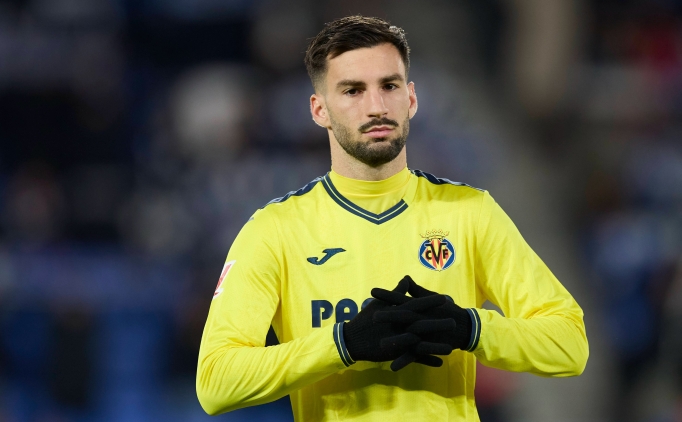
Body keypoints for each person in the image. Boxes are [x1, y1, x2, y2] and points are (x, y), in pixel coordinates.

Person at [196, 15, 589, 421]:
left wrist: (472, 329)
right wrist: (343, 344)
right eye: (353, 90)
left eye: (389, 86)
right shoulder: (275, 230)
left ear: (411, 99)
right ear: (319, 110)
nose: (377, 107)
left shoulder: (469, 212)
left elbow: (570, 345)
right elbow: (216, 383)